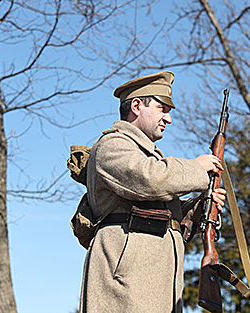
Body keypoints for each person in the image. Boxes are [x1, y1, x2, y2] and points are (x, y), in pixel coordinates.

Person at [79, 70, 226, 313]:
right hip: (126, 283)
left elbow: (166, 213)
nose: (168, 119)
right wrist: (196, 168)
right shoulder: (112, 145)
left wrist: (201, 206)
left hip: (154, 279)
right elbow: (150, 179)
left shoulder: (147, 155)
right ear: (137, 105)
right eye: (162, 109)